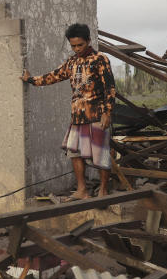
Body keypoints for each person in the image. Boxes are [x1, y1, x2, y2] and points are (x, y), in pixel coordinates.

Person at [21, 23, 116, 199]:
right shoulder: (72, 62)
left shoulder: (100, 59)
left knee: (101, 154)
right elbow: (54, 76)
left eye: (80, 45)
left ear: (88, 41)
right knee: (74, 153)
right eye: (73, 46)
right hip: (77, 116)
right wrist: (31, 80)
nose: (77, 48)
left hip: (97, 115)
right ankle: (82, 190)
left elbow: (110, 87)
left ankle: (103, 190)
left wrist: (107, 112)